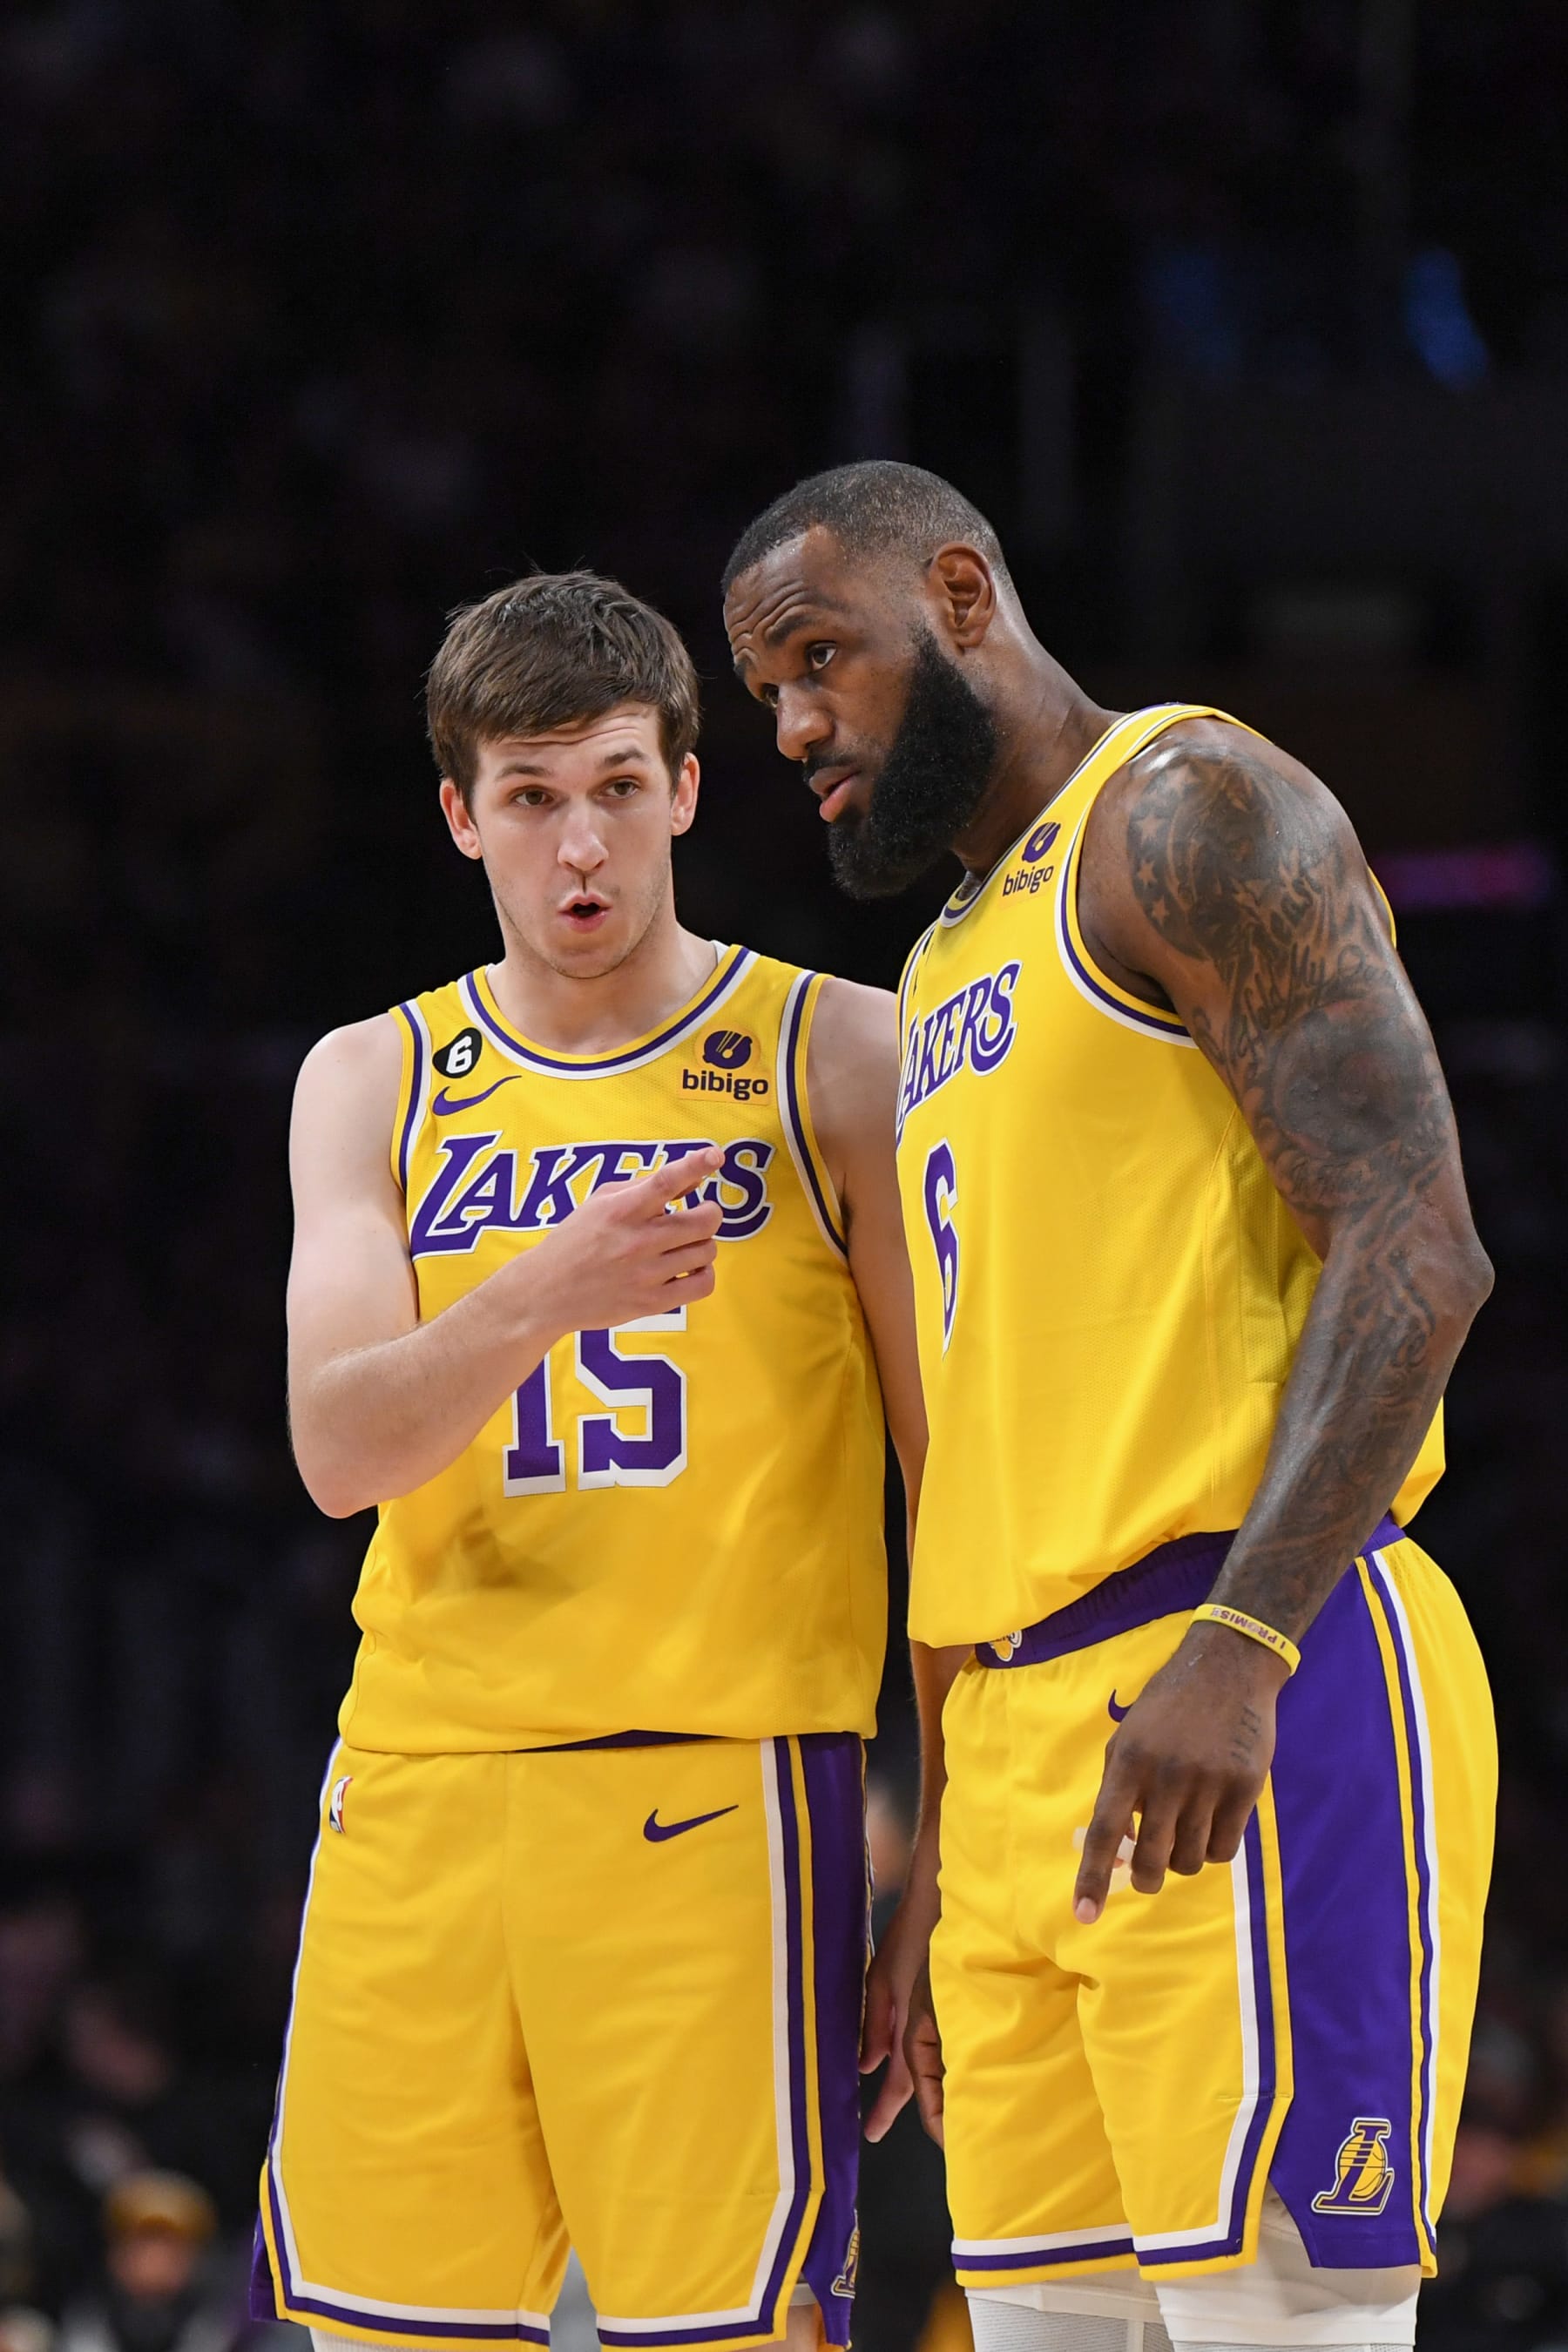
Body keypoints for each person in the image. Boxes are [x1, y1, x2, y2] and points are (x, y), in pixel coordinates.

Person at [722, 463, 1497, 2352]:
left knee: (1280, 2328)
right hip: (1012, 1763)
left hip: (1237, 1668)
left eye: (822, 659)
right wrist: (935, 1823)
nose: (799, 726)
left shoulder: (1191, 813)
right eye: (767, 700)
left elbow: (1416, 1237)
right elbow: (984, 1433)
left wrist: (1244, 1638)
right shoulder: (945, 960)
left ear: (965, 596)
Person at [251, 572, 923, 2352]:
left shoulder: (837, 1057)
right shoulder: (372, 1078)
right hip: (417, 1795)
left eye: (620, 786)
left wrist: (947, 1839)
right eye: (534, 797)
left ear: (689, 789)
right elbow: (341, 1447)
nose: (582, 845)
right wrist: (553, 1285)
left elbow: (954, 1480)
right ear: (463, 814)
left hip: (717, 1800)